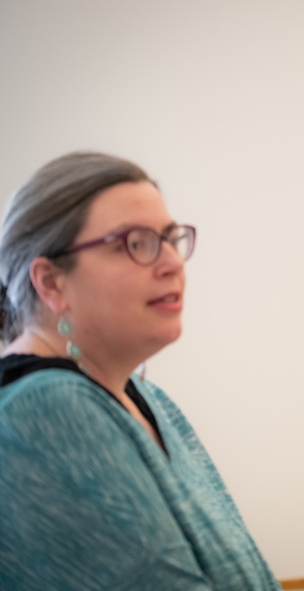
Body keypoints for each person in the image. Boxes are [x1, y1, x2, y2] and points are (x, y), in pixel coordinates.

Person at [0, 152, 279, 590]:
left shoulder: (149, 399)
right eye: (134, 242)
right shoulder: (42, 411)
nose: (171, 262)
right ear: (51, 282)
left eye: (170, 239)